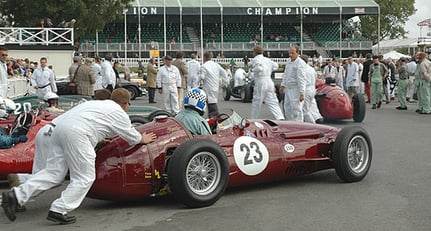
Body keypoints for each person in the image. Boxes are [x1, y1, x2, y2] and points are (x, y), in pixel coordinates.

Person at [1, 88, 157, 224]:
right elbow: (133, 137)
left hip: (58, 129)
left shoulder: (95, 104)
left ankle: (16, 195)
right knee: (85, 177)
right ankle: (59, 209)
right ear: (126, 104)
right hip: (77, 133)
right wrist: (144, 139)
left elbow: (88, 121)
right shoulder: (119, 113)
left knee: (54, 174)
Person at [249, 45, 284, 120]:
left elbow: (259, 68)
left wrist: (252, 70)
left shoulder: (256, 59)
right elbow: (276, 66)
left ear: (255, 52)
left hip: (260, 81)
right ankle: (280, 117)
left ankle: (253, 119)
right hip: (269, 81)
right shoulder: (267, 59)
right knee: (272, 100)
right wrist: (269, 69)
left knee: (257, 101)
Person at [279, 45, 307, 121]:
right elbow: (286, 74)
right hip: (288, 88)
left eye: (292, 53)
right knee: (287, 108)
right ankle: (290, 124)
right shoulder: (288, 61)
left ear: (298, 53)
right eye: (289, 53)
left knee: (296, 110)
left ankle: (298, 125)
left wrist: (302, 92)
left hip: (296, 89)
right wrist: (283, 85)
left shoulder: (300, 63)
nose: (290, 55)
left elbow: (302, 79)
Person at [199, 51, 227, 117]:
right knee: (212, 102)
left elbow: (202, 77)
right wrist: (225, 82)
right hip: (216, 87)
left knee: (211, 104)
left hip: (208, 87)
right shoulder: (216, 65)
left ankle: (215, 118)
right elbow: (224, 73)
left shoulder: (204, 66)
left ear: (204, 57)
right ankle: (212, 117)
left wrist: (197, 83)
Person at [300, 55, 323, 123]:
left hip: (306, 89)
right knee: (312, 104)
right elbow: (316, 79)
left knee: (305, 109)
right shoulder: (311, 69)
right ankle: (317, 117)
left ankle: (312, 123)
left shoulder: (302, 69)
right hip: (312, 88)